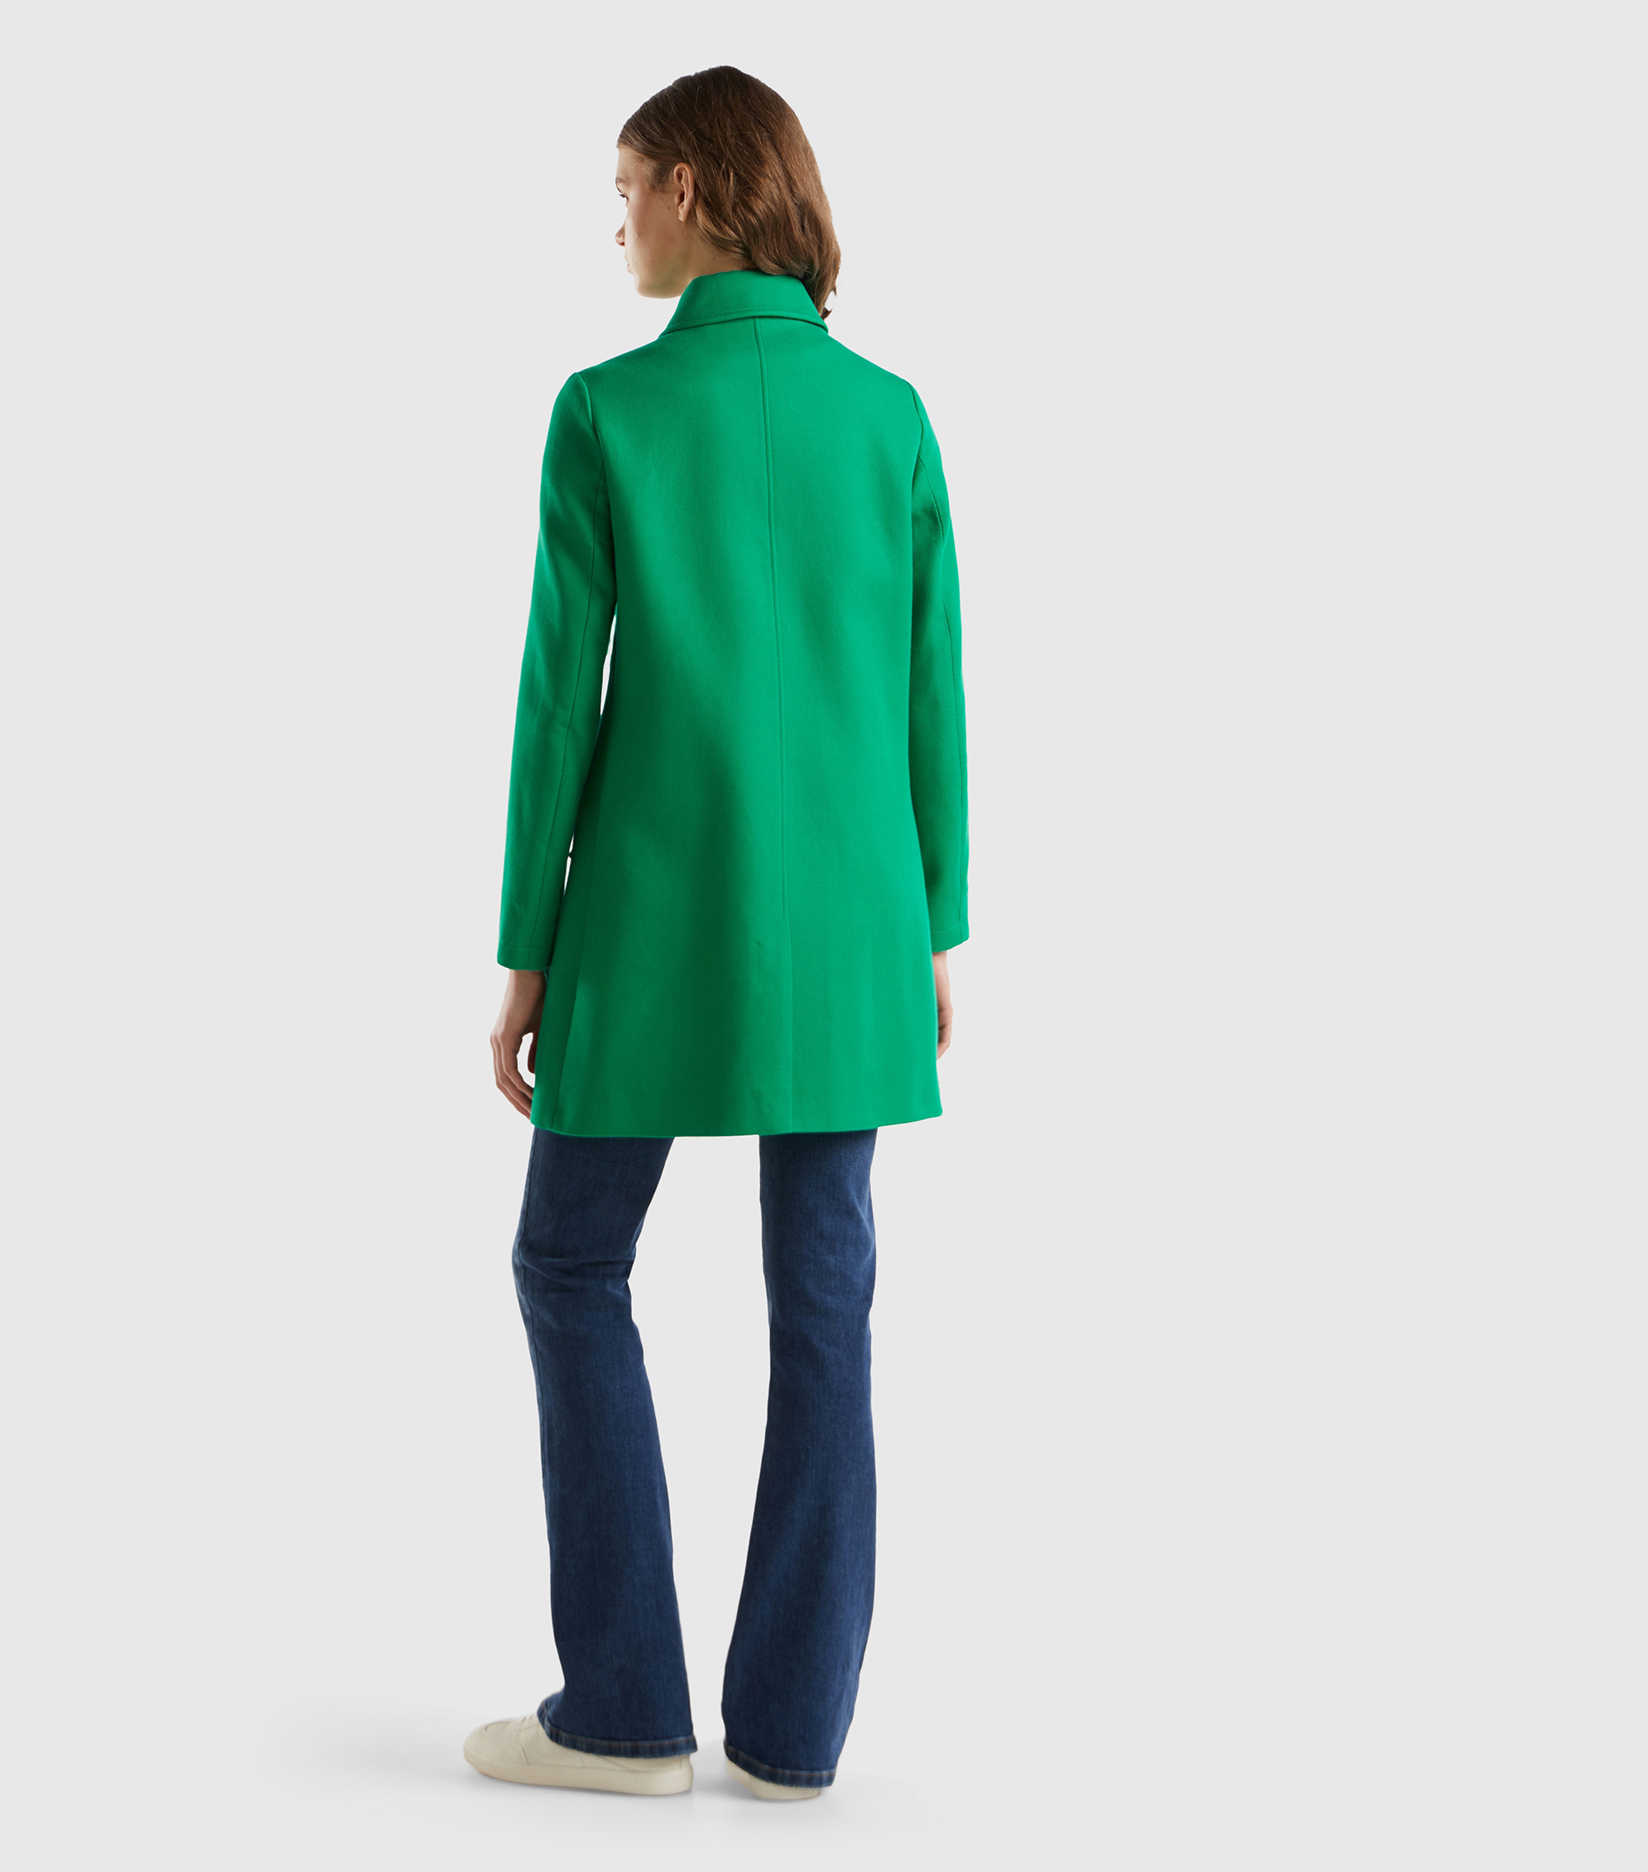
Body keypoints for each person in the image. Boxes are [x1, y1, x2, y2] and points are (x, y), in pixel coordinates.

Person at [465, 66, 969, 1802]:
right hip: (854, 927)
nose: (616, 223)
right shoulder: (891, 416)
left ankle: (622, 1712)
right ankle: (795, 1734)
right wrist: (936, 928)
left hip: (651, 918)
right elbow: (929, 692)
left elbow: (558, 705)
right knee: (826, 1303)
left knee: (568, 1265)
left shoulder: (606, 411)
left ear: (692, 188)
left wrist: (525, 949)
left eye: (626, 189)